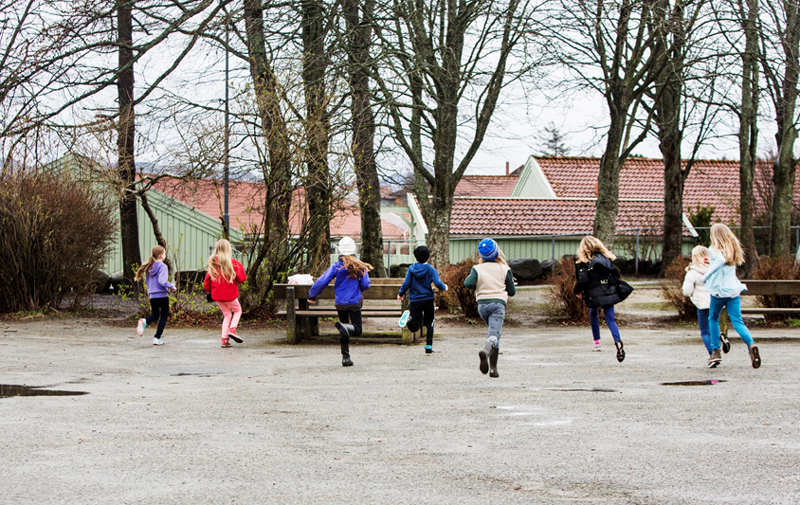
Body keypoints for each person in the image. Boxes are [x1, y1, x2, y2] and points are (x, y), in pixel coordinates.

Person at [702, 223, 761, 369]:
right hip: (733, 291)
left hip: (719, 292)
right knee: (738, 321)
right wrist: (711, 262)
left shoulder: (713, 249)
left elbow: (720, 261)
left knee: (713, 318)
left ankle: (716, 351)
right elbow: (722, 262)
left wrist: (706, 276)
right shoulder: (732, 250)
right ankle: (751, 344)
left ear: (715, 235)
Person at [308, 237, 372, 367]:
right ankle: (346, 328)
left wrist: (312, 294)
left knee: (343, 329)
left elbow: (323, 280)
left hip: (340, 303)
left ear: (340, 250)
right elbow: (366, 284)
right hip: (354, 302)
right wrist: (359, 289)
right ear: (354, 249)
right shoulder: (359, 266)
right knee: (357, 329)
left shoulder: (337, 266)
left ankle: (345, 357)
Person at [464, 238, 515, 378]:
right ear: (497, 252)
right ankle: (485, 352)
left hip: (482, 306)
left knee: (494, 334)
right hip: (498, 305)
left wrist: (478, 285)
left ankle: (493, 369)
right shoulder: (504, 269)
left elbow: (468, 283)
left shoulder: (477, 269)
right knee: (494, 335)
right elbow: (512, 291)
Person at [573, 236, 627, 362]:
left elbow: (583, 279)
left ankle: (597, 341)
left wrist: (577, 290)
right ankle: (617, 340)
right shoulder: (606, 258)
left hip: (593, 293)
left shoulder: (583, 261)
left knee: (593, 313)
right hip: (608, 291)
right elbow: (616, 274)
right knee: (610, 318)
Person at [397, 245, 448, 354]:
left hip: (415, 300)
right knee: (430, 323)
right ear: (428, 257)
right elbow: (438, 283)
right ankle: (428, 346)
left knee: (415, 326)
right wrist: (444, 287)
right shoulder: (431, 269)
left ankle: (409, 321)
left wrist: (400, 294)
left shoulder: (411, 269)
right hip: (428, 299)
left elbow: (406, 283)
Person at [204, 239, 247, 348]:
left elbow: (207, 283)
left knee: (227, 314)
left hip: (217, 295)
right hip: (230, 294)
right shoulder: (233, 264)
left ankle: (224, 339)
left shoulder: (213, 264)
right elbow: (242, 279)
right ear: (228, 249)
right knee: (237, 310)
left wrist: (210, 291)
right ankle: (232, 329)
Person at [134, 245, 177, 346]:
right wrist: (171, 286)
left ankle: (144, 320)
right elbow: (162, 281)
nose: (165, 255)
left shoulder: (149, 267)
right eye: (165, 253)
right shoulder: (163, 266)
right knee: (164, 316)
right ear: (162, 255)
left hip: (153, 296)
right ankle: (157, 338)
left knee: (155, 315)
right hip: (162, 295)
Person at [682, 245, 714, 359]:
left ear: (694, 257)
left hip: (702, 304)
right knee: (714, 325)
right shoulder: (714, 269)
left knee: (705, 331)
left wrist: (692, 295)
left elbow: (687, 290)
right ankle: (720, 336)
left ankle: (713, 353)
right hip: (716, 301)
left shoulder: (693, 272)